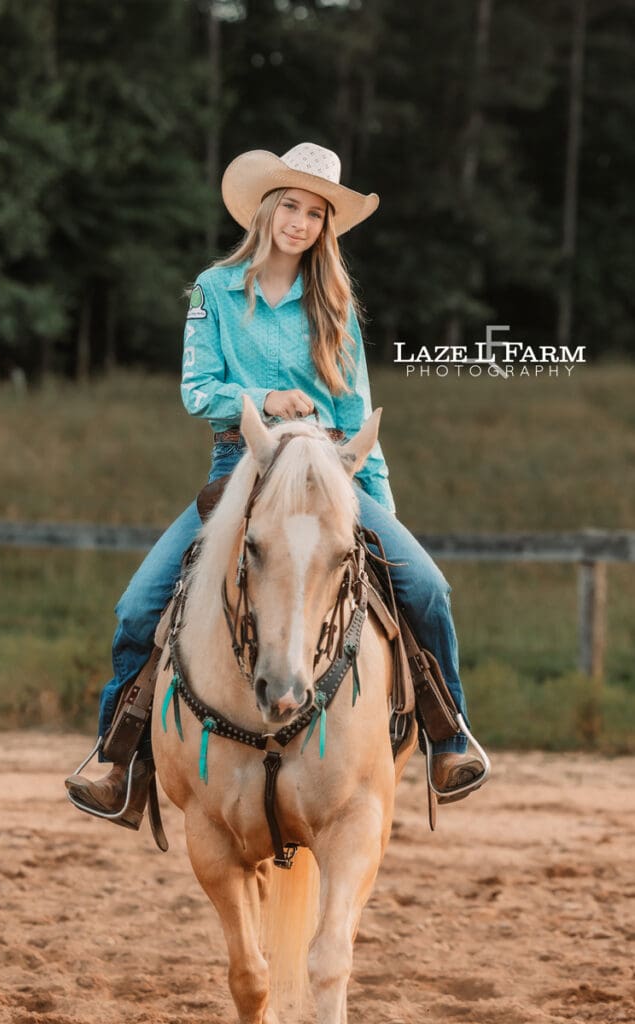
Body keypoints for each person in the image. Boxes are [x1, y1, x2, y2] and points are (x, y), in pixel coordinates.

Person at [65, 142, 488, 829]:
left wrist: (378, 508)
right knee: (138, 606)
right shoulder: (213, 291)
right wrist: (262, 399)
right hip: (241, 468)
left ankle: (449, 735)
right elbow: (197, 390)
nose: (299, 222)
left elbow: (356, 417)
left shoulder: (334, 305)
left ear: (325, 228)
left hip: (328, 475)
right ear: (265, 209)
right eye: (290, 205)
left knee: (428, 588)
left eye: (315, 214)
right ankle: (119, 760)